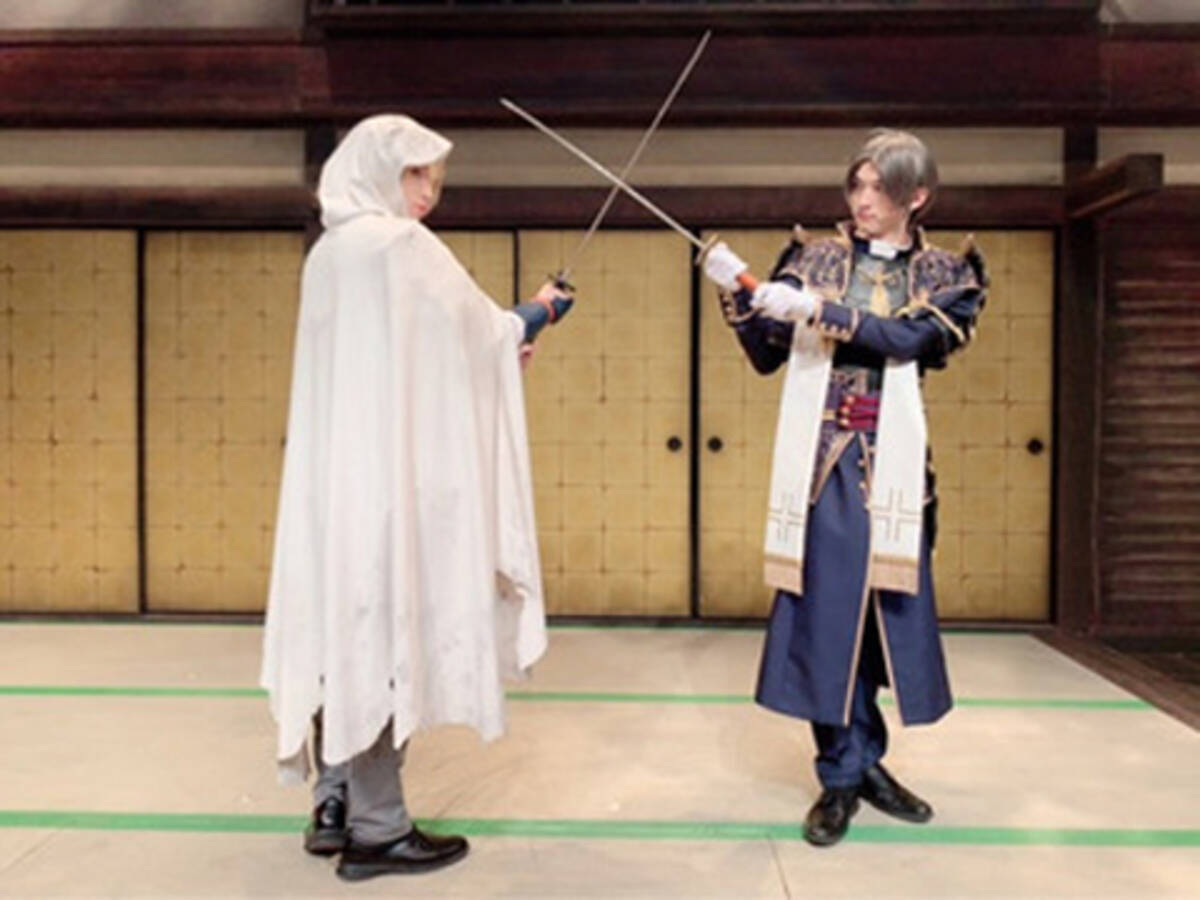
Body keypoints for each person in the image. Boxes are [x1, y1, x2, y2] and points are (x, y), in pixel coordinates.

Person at [260, 114, 573, 881]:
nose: (428, 192)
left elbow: (421, 357)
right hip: (388, 493)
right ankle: (379, 830)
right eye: (414, 174)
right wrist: (542, 309)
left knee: (342, 630)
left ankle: (333, 806)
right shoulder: (400, 247)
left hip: (338, 486)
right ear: (374, 169)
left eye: (434, 178)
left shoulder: (329, 255)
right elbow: (483, 330)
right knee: (382, 635)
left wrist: (491, 346)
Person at [701, 129, 986, 847]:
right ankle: (841, 775)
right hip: (824, 464)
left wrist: (817, 312)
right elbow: (768, 356)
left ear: (916, 197)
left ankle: (862, 762)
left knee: (880, 622)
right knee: (828, 618)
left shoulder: (948, 272)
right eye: (856, 185)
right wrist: (741, 293)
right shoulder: (814, 259)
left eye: (879, 189)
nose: (863, 200)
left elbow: (908, 341)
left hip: (897, 467)